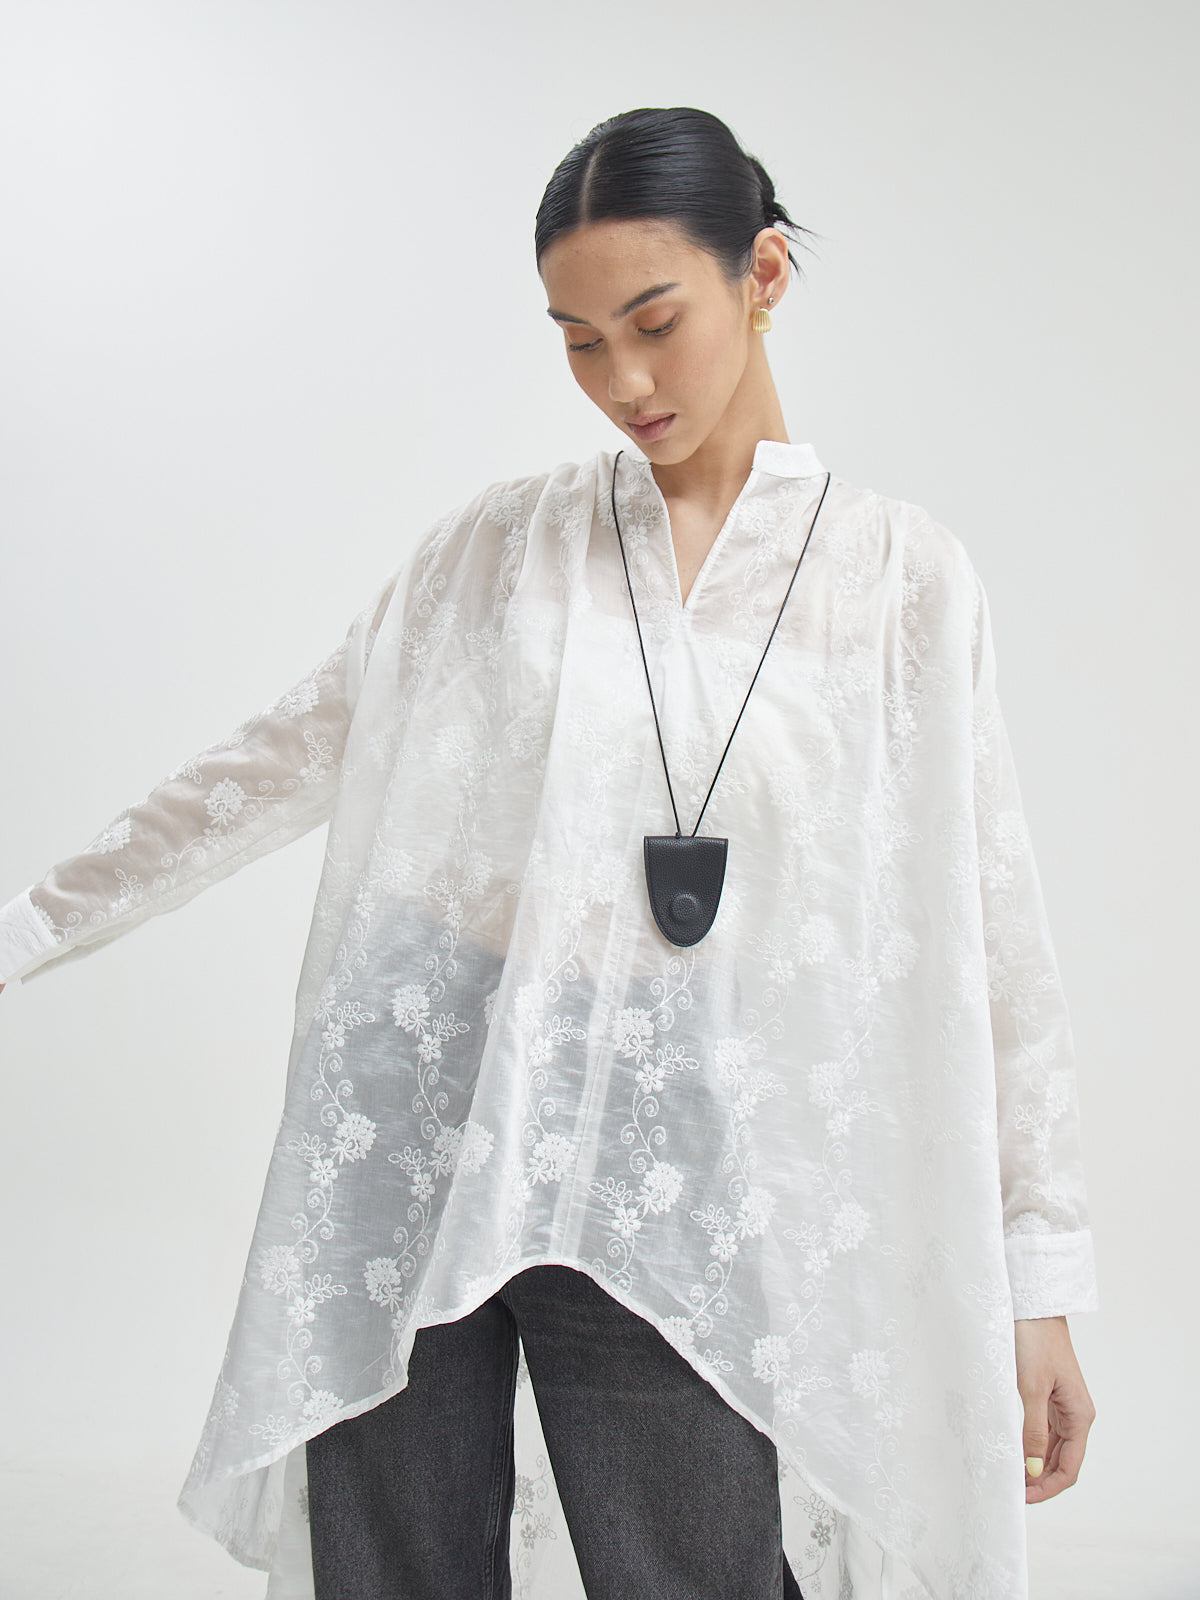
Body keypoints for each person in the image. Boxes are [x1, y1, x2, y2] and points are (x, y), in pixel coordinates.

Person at [0, 106, 1098, 1600]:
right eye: (579, 341)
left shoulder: (899, 578)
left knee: (695, 1564)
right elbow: (273, 761)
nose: (623, 382)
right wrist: (27, 928)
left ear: (763, 274)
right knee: (392, 1569)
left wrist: (1038, 1280)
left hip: (686, 1146)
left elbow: (993, 939)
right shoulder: (501, 548)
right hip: (414, 1113)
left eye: (655, 323)